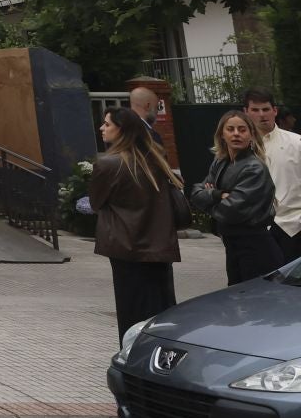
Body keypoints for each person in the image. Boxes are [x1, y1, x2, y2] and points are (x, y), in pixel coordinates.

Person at [91, 107, 182, 337]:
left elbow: (96, 202)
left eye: (107, 124)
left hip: (126, 249)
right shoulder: (156, 161)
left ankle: (133, 362)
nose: (102, 128)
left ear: (121, 130)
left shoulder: (108, 165)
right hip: (160, 248)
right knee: (161, 313)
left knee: (131, 314)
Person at [191, 108, 284, 285]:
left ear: (251, 134)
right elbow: (195, 193)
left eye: (242, 130)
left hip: (256, 249)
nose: (236, 134)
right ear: (222, 135)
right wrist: (219, 195)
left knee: (255, 304)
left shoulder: (254, 168)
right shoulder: (220, 162)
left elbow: (231, 211)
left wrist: (210, 198)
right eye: (230, 129)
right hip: (232, 246)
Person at [244, 87, 301, 262]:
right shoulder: (238, 149)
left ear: (274, 111)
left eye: (266, 109)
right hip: (254, 230)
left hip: (292, 227)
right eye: (255, 110)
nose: (262, 114)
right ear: (246, 112)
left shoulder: (296, 143)